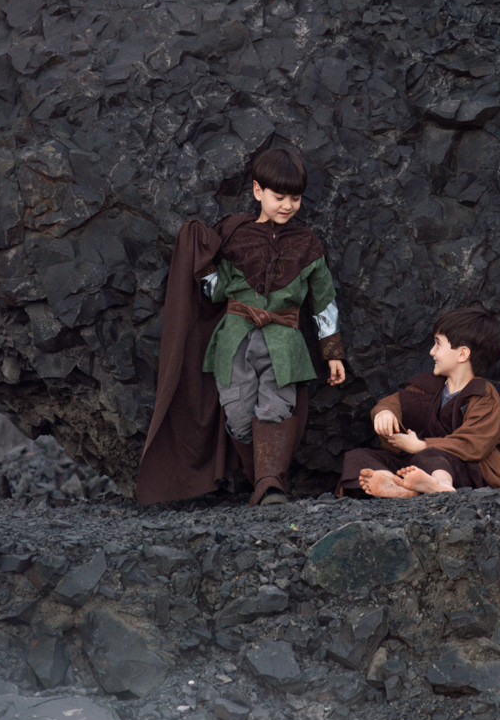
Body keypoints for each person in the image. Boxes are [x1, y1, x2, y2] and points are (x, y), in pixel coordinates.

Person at [137, 147, 345, 506]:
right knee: (237, 415)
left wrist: (333, 353)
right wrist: (198, 258)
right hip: (234, 342)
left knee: (276, 410)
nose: (288, 205)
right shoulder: (235, 235)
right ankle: (260, 481)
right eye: (279, 197)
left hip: (285, 345)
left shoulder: (308, 245)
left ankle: (271, 487)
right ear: (257, 191)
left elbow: (324, 300)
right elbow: (216, 292)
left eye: (295, 198)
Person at [338, 308, 500, 498]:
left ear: (462, 354)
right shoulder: (430, 385)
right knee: (358, 456)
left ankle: (442, 486)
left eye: (438, 344)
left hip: (465, 469)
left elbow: (474, 443)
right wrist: (385, 413)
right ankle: (398, 486)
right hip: (419, 467)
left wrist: (421, 445)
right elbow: (394, 403)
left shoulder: (483, 395)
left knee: (430, 455)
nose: (431, 352)